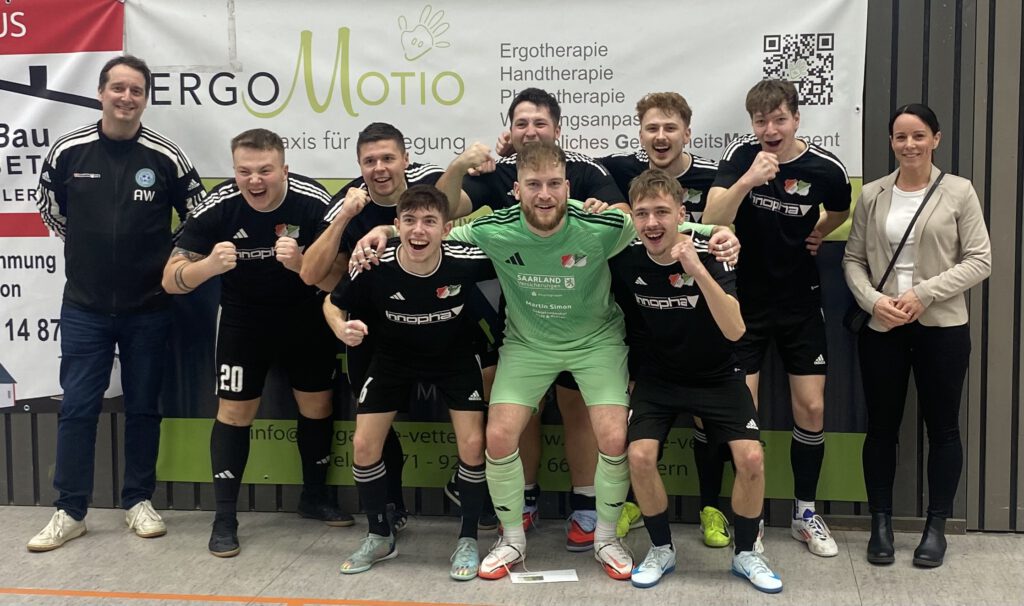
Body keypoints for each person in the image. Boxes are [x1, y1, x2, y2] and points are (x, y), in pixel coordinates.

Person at [431, 87, 627, 551]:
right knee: (513, 423)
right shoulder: (494, 176)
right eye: (522, 123)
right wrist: (457, 167)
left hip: (587, 324)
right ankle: (521, 510)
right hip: (525, 320)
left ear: (557, 130)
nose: (531, 131)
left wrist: (604, 211)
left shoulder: (586, 176)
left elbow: (636, 220)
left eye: (540, 123)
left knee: (589, 417)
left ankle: (591, 514)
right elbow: (439, 216)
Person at [28, 55, 206, 552]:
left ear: (145, 98)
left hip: (148, 306)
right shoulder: (68, 151)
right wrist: (87, 248)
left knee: (144, 407)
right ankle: (70, 511)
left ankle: (138, 501)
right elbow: (52, 211)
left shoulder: (166, 156)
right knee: (77, 408)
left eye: (136, 91)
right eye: (118, 88)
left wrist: (171, 257)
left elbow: (198, 218)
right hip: (84, 307)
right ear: (101, 93)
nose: (127, 98)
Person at [161, 128, 353, 558]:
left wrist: (301, 264)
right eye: (244, 171)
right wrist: (208, 267)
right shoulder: (218, 204)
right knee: (233, 413)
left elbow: (338, 279)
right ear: (234, 171)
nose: (254, 180)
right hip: (243, 322)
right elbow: (170, 280)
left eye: (265, 170)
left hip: (305, 317)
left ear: (284, 169)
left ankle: (314, 497)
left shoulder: (312, 200)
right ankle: (224, 518)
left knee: (318, 406)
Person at [609, 169, 780, 592]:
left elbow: (736, 330)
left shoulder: (711, 251)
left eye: (662, 212)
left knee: (751, 458)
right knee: (639, 456)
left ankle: (746, 554)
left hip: (718, 374)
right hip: (658, 377)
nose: (652, 223)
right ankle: (661, 549)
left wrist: (697, 269)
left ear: (682, 215)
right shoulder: (624, 254)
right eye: (643, 214)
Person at [703, 79, 852, 558]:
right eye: (761, 120)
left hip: (800, 304)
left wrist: (819, 231)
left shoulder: (826, 167)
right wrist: (749, 179)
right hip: (745, 305)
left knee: (811, 408)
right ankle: (753, 516)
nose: (770, 129)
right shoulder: (741, 155)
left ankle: (805, 512)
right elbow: (711, 216)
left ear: (796, 119)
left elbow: (840, 209)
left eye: (779, 119)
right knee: (742, 414)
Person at [843, 103, 991, 568]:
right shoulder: (873, 194)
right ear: (891, 142)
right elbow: (853, 259)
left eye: (919, 135)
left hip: (941, 329)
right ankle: (881, 526)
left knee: (943, 429)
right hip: (883, 328)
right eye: (901, 137)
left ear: (936, 139)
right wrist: (874, 301)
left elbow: (980, 259)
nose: (910, 145)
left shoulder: (959, 192)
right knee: (881, 428)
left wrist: (924, 293)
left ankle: (935, 528)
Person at [328, 185, 495, 579]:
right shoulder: (374, 263)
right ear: (397, 225)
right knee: (363, 444)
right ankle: (379, 535)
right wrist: (339, 327)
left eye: (429, 221)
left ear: (446, 228)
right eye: (410, 221)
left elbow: (524, 257)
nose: (419, 230)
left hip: (455, 358)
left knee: (474, 444)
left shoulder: (469, 259)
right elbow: (332, 303)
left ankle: (468, 539)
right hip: (393, 359)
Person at [598, 92, 735, 547]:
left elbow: (722, 226)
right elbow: (566, 171)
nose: (660, 136)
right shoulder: (619, 171)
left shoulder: (712, 175)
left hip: (699, 317)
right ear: (640, 135)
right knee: (640, 426)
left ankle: (711, 507)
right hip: (640, 321)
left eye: (670, 128)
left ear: (687, 133)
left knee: (706, 419)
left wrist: (721, 235)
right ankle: (635, 504)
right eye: (652, 128)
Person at [301, 123, 448, 532]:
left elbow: (461, 227)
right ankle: (391, 505)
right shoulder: (348, 201)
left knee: (473, 408)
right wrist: (346, 216)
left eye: (387, 158)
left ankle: (479, 501)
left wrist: (388, 230)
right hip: (373, 327)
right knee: (375, 423)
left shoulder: (431, 184)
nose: (379, 168)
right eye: (369, 161)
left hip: (438, 318)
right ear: (359, 165)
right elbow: (310, 274)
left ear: (406, 159)